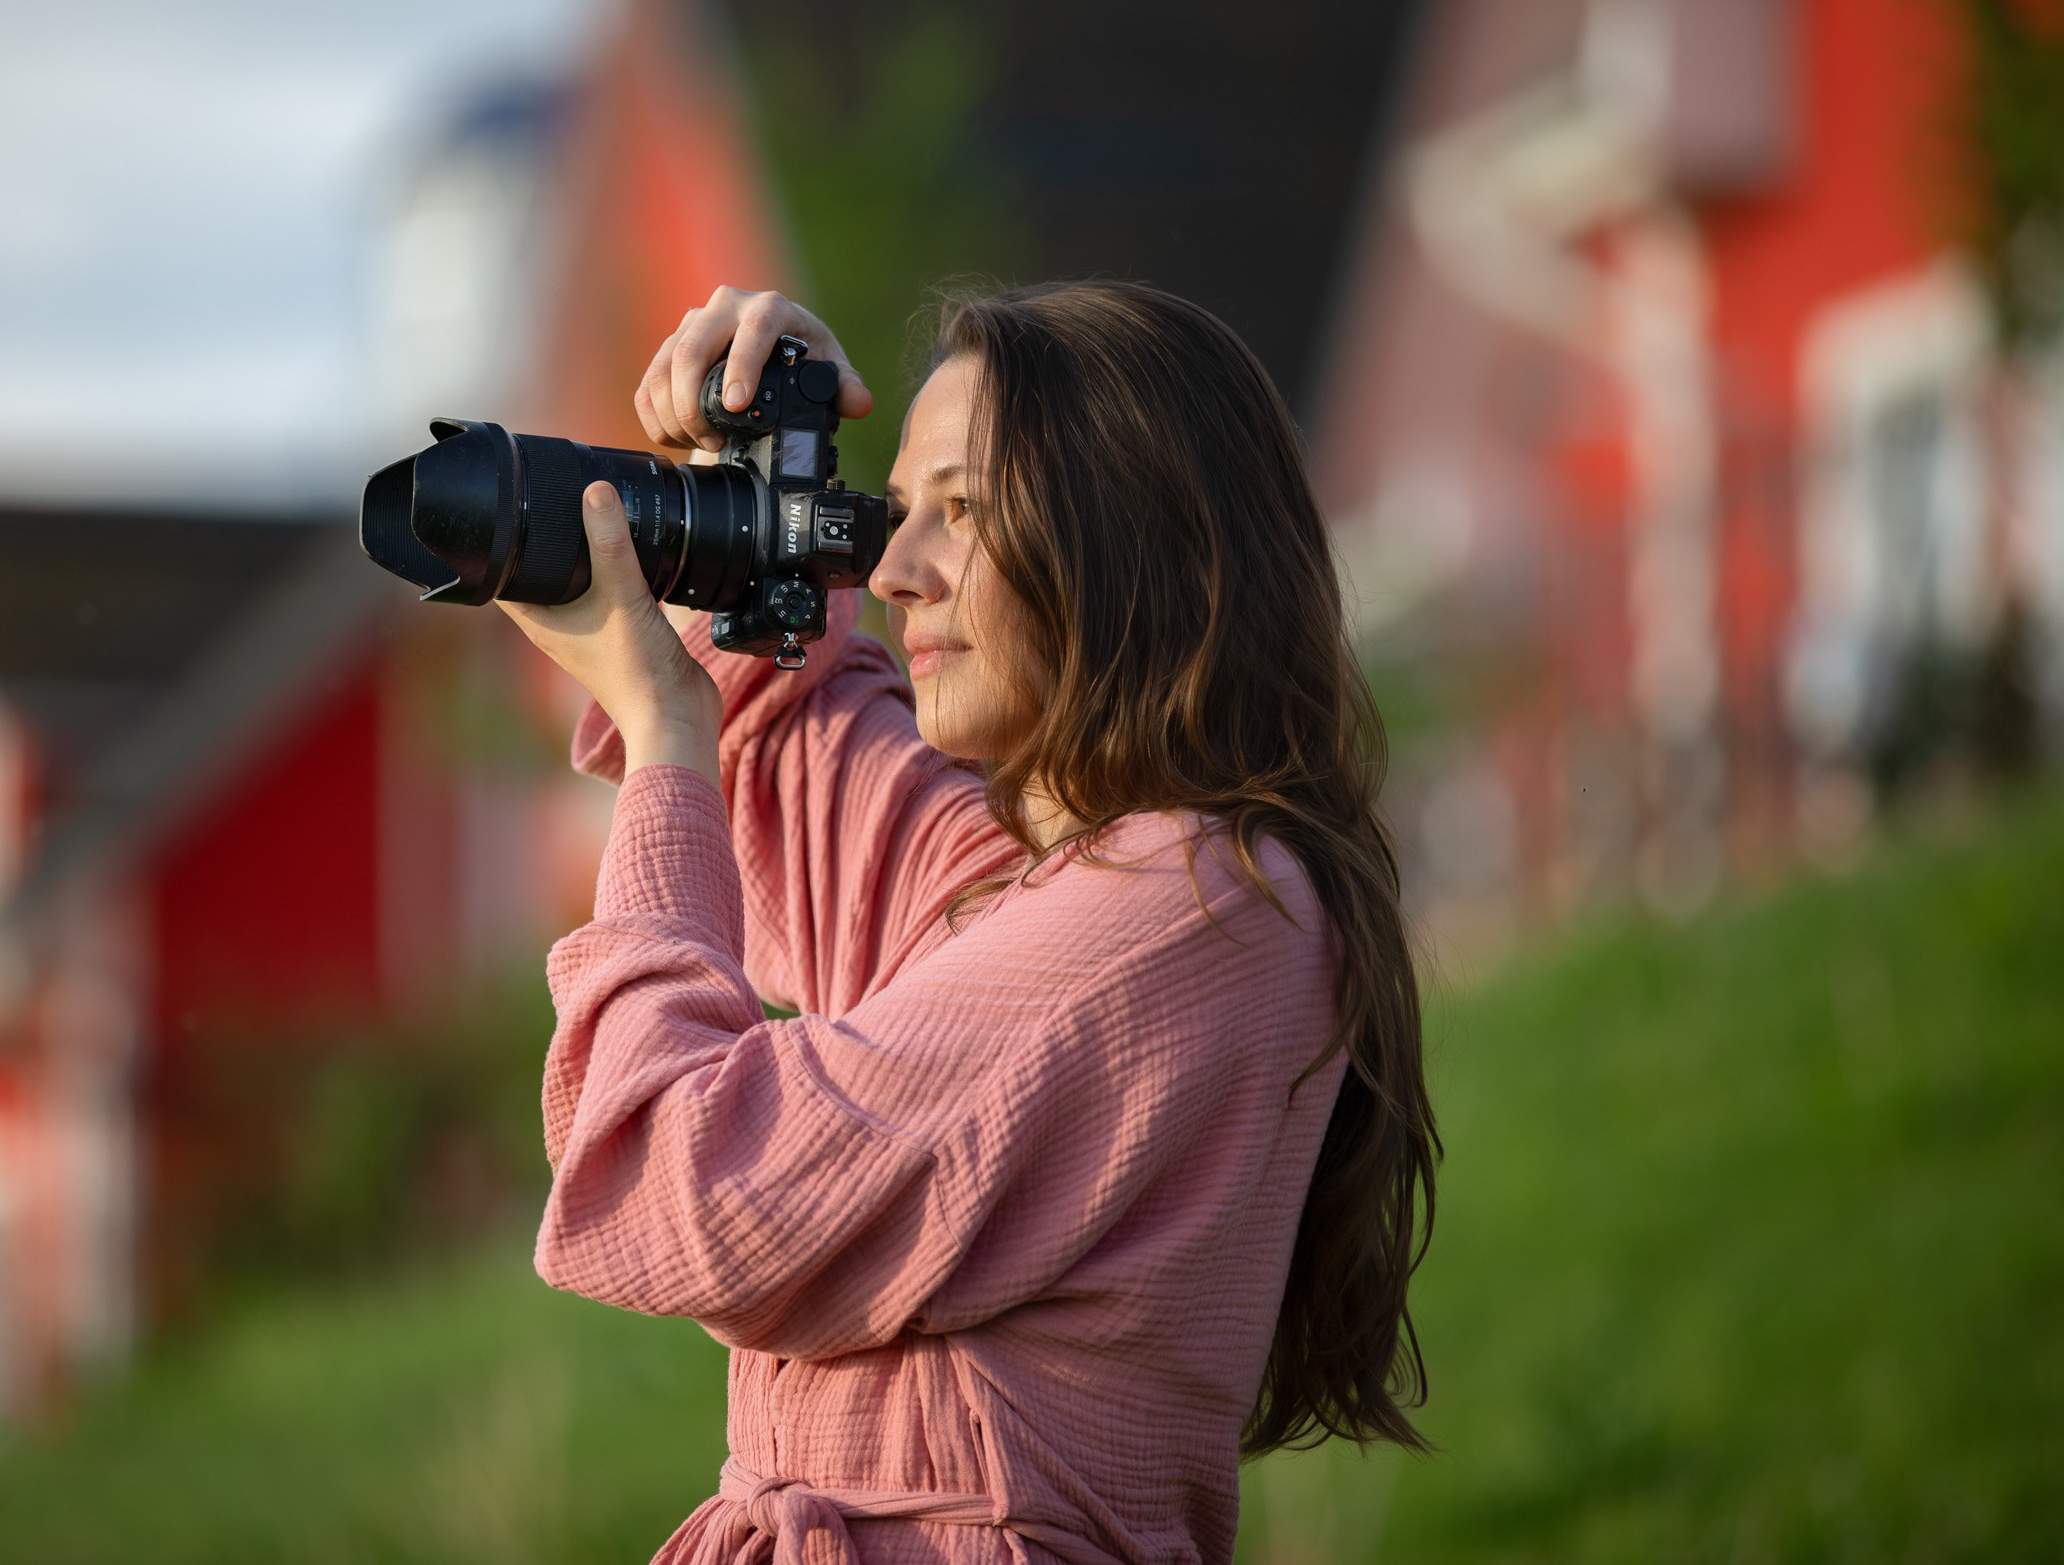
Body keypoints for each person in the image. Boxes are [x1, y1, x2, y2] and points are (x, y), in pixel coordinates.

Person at [499, 281, 1437, 1565]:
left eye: (962, 511)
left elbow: (685, 1182)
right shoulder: (1029, 879)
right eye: (896, 510)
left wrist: (665, 734)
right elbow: (790, 746)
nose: (888, 569)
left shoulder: (1193, 906)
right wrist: (772, 452)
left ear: (1132, 539)